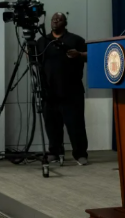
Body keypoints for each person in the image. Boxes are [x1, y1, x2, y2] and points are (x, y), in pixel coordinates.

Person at [36, 12, 90, 166]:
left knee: (76, 124)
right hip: (49, 92)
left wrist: (79, 54)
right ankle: (54, 151)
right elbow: (35, 59)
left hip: (72, 91)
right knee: (52, 125)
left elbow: (92, 55)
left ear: (65, 23)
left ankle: (80, 154)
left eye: (59, 19)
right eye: (53, 19)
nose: (55, 21)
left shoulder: (76, 40)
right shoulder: (43, 41)